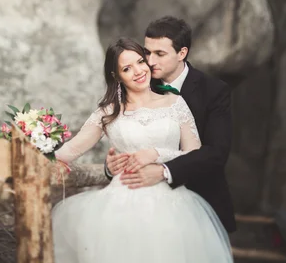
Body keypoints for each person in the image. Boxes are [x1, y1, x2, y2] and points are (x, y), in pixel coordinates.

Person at [53, 38, 233, 263]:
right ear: (116, 76)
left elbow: (194, 154)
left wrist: (157, 154)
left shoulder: (176, 103)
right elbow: (71, 150)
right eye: (127, 68)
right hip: (120, 205)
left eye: (140, 62)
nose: (138, 71)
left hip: (172, 204)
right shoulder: (108, 112)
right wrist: (34, 142)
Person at [106, 16, 236, 233]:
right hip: (137, 208)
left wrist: (164, 171)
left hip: (199, 204)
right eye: (147, 52)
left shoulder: (214, 91)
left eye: (160, 54)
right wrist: (112, 166)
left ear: (182, 53)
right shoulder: (138, 82)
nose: (150, 61)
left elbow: (216, 153)